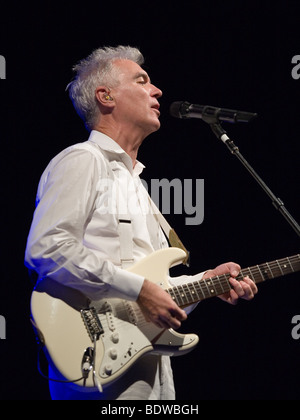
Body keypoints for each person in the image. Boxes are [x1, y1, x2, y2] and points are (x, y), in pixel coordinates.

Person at [25, 45, 258, 400]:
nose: (157, 90)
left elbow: (153, 285)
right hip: (95, 364)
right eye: (142, 80)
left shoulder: (136, 186)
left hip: (149, 369)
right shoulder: (82, 160)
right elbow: (47, 248)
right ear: (106, 96)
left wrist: (206, 282)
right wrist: (139, 290)